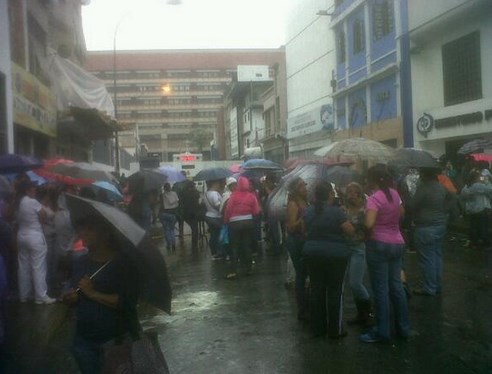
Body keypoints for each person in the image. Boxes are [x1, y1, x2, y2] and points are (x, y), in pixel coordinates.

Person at [63, 216, 139, 374]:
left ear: (105, 234)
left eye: (90, 229)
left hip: (115, 342)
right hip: (84, 342)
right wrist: (70, 298)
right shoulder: (80, 262)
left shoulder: (123, 264)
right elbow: (75, 294)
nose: (82, 233)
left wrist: (92, 293)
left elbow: (127, 302)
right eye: (82, 228)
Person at [360, 165, 410, 343]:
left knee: (380, 289)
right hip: (397, 243)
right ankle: (403, 328)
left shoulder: (374, 198)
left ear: (372, 179)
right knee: (396, 286)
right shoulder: (395, 194)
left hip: (379, 245)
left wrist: (365, 219)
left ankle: (382, 331)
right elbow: (402, 214)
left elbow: (369, 223)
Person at [303, 181, 354, 338]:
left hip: (312, 253)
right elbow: (350, 231)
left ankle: (317, 328)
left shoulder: (308, 211)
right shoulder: (337, 212)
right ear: (330, 194)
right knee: (334, 291)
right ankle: (335, 329)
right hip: (336, 255)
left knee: (316, 290)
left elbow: (304, 232)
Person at [408, 168, 457, 296]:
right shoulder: (441, 187)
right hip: (440, 225)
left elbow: (412, 205)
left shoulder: (423, 188)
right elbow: (454, 197)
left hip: (426, 227)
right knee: (436, 256)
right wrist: (445, 209)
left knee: (427, 258)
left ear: (424, 174)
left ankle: (429, 287)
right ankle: (437, 285)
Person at [16, 181, 56, 304]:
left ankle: (24, 295)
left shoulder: (19, 202)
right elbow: (44, 216)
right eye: (32, 188)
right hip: (34, 236)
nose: (35, 190)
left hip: (21, 236)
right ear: (27, 190)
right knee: (38, 267)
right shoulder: (32, 201)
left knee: (23, 267)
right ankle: (40, 296)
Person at [343, 182, 372, 325]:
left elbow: (370, 228)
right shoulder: (344, 209)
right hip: (345, 248)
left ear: (360, 194)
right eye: (349, 191)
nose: (351, 194)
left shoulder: (365, 210)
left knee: (355, 282)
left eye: (354, 192)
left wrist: (364, 239)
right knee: (349, 282)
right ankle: (361, 314)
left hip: (359, 248)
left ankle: (368, 310)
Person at [223, 176, 260, 279]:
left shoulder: (233, 196)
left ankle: (233, 271)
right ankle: (249, 269)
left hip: (234, 223)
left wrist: (226, 221)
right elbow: (256, 211)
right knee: (247, 246)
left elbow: (228, 210)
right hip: (248, 222)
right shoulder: (251, 196)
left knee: (234, 247)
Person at [285, 177, 309, 320]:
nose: (305, 187)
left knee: (306, 273)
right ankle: (302, 308)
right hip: (296, 242)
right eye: (302, 185)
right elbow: (290, 227)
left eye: (305, 184)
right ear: (295, 189)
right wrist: (303, 219)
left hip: (305, 240)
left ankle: (307, 304)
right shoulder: (293, 204)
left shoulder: (306, 202)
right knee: (301, 275)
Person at [460, 170, 492, 250]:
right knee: (483, 228)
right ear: (475, 177)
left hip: (472, 210)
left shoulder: (466, 187)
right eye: (479, 177)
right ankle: (486, 244)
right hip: (480, 210)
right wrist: (487, 181)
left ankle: (474, 243)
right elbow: (489, 189)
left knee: (473, 228)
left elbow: (463, 197)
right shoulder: (477, 186)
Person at [204, 179, 225, 259]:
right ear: (214, 184)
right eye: (217, 183)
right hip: (215, 217)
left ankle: (213, 253)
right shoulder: (214, 194)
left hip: (209, 216)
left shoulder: (207, 193)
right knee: (219, 235)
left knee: (213, 235)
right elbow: (218, 206)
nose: (219, 184)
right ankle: (219, 253)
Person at [181, 181, 201, 252]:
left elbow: (182, 202)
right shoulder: (196, 193)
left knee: (193, 227)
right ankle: (194, 243)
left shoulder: (184, 193)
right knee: (195, 228)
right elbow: (198, 202)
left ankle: (194, 241)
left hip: (186, 213)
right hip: (195, 212)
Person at [159, 183, 179, 252]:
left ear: (164, 188)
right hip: (172, 214)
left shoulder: (162, 195)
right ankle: (173, 243)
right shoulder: (174, 193)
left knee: (166, 230)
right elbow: (177, 204)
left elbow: (160, 204)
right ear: (170, 187)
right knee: (172, 229)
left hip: (163, 213)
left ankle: (168, 244)